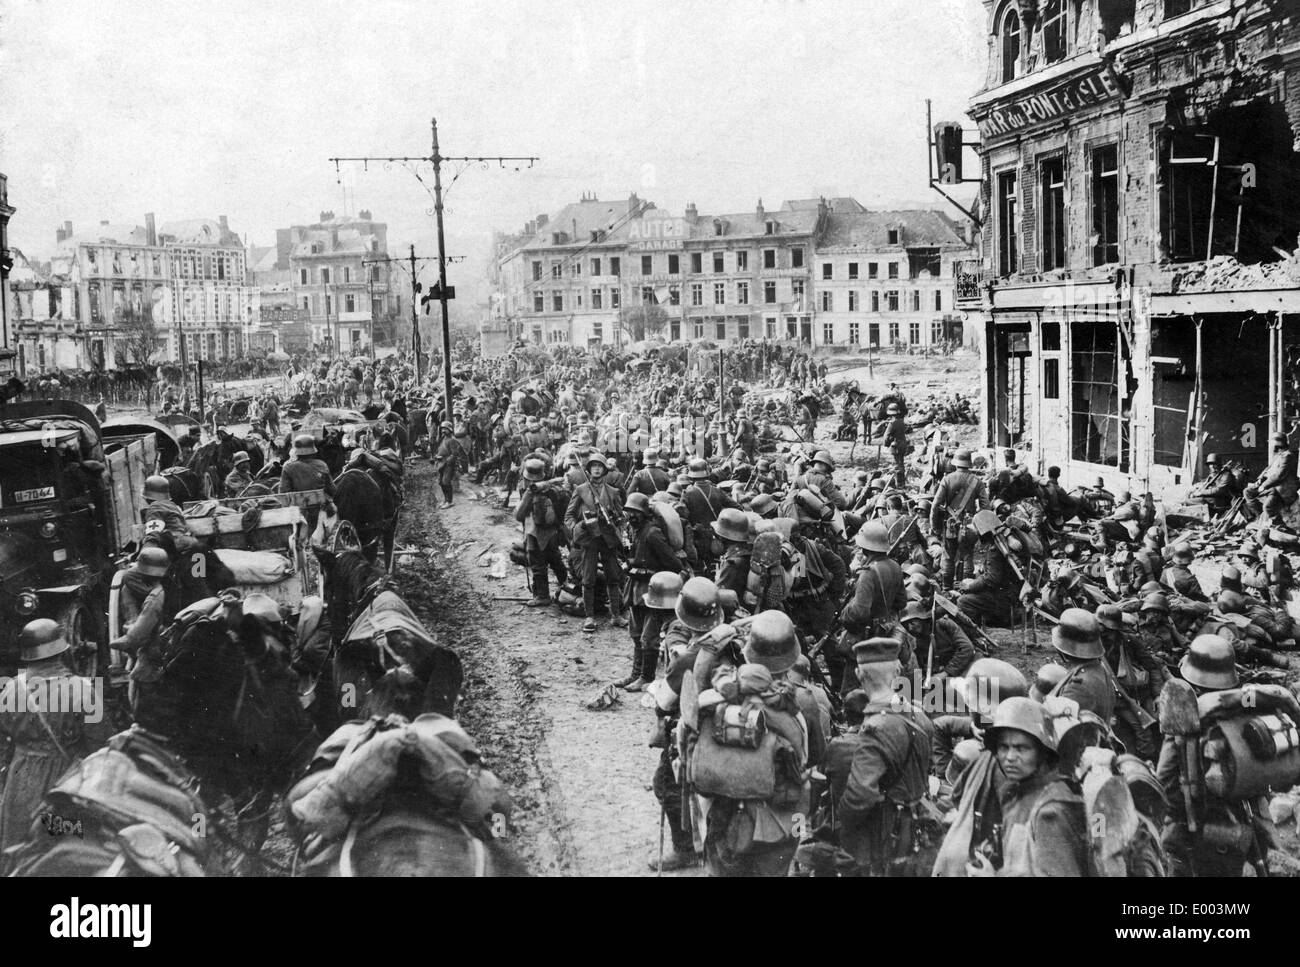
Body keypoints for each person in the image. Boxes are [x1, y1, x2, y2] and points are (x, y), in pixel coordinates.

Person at [0, 619, 116, 860]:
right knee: (63, 850)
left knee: (19, 850)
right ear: (63, 651)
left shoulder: (11, 689)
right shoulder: (83, 689)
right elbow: (101, 745)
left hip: (20, 781)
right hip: (64, 784)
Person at [933, 697, 1088, 877]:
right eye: (1004, 747)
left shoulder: (1051, 810)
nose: (1010, 757)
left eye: (1021, 748)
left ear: (1042, 752)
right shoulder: (1017, 791)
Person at [824, 636, 935, 876]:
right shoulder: (918, 715)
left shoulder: (874, 727)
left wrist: (842, 826)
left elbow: (859, 796)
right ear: (898, 671)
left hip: (887, 833)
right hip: (917, 824)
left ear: (859, 674)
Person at [622, 494, 685, 690]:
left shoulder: (652, 534)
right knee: (635, 633)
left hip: (654, 591)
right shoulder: (635, 531)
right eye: (629, 513)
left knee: (648, 638)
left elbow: (674, 565)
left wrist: (648, 571)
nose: (631, 517)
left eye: (636, 513)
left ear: (644, 514)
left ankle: (646, 677)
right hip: (636, 589)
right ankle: (635, 674)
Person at [565, 451, 629, 632]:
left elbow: (622, 516)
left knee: (614, 578)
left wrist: (619, 526)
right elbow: (568, 517)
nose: (596, 469)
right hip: (589, 539)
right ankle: (589, 617)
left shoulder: (613, 492)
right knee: (588, 578)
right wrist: (579, 527)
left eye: (599, 467)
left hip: (608, 539)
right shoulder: (581, 490)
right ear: (588, 469)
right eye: (593, 467)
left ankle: (616, 616)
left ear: (604, 470)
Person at [929, 449, 987, 590]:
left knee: (948, 556)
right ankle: (965, 589)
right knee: (967, 556)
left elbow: (935, 505)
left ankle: (947, 589)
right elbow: (986, 507)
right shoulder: (977, 481)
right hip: (970, 527)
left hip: (950, 526)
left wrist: (934, 525)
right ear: (969, 463)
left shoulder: (947, 479)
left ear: (955, 463)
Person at [516, 457, 567, 608]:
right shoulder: (552, 489)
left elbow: (519, 515)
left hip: (534, 534)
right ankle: (566, 584)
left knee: (537, 564)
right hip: (552, 533)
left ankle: (542, 596)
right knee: (555, 559)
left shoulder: (529, 492)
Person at [431, 421, 466, 509]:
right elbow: (439, 450)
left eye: (445, 429)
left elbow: (454, 454)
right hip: (441, 463)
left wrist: (447, 460)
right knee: (441, 483)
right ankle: (446, 500)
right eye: (442, 429)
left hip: (448, 465)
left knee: (446, 482)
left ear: (450, 430)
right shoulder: (443, 439)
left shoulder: (452, 441)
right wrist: (436, 457)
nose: (443, 431)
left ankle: (449, 501)